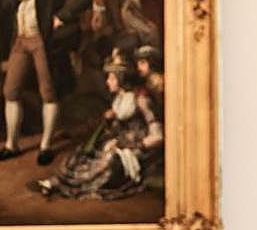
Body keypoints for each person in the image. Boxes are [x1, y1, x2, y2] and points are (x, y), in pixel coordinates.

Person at [0, 0, 90, 165]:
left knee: (48, 91)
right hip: (21, 38)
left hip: (42, 39)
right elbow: (6, 3)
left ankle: (46, 146)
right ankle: (11, 145)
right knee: (10, 91)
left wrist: (63, 16)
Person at [28, 53, 162, 200]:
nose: (107, 82)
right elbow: (118, 129)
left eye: (111, 78)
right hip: (118, 144)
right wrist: (110, 123)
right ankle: (52, 183)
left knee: (109, 161)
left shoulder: (142, 99)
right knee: (81, 154)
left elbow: (158, 136)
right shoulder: (120, 97)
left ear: (121, 79)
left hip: (137, 152)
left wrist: (130, 146)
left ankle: (59, 186)